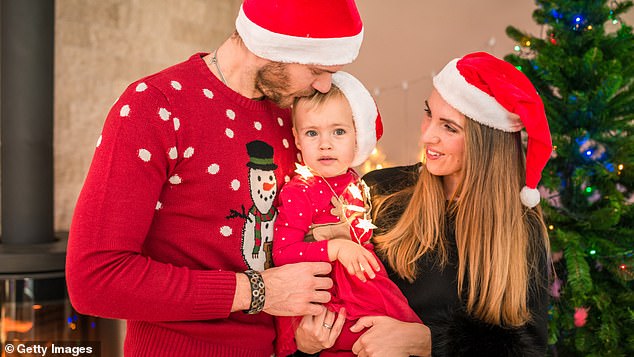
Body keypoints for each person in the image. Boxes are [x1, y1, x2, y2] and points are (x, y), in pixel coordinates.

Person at [65, 0, 365, 356]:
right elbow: (95, 279)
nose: (324, 84)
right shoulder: (154, 108)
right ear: (274, 46)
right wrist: (258, 291)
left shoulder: (295, 120)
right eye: (316, 68)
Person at [293, 52, 553, 356]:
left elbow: (528, 347)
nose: (428, 135)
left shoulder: (520, 227)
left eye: (449, 127)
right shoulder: (380, 191)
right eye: (428, 113)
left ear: (486, 145)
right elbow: (317, 271)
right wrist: (303, 336)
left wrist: (428, 341)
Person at [272, 72, 421, 357]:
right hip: (330, 291)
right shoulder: (299, 190)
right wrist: (336, 248)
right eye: (312, 133)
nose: (325, 144)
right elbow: (283, 253)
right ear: (297, 140)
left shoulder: (357, 182)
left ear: (357, 136)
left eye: (338, 132)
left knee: (395, 334)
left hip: (365, 281)